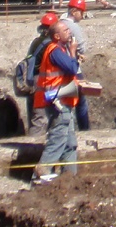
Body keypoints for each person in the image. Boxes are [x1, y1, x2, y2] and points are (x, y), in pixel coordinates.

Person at [32, 20, 80, 185]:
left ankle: (70, 180)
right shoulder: (55, 51)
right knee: (57, 140)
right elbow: (72, 69)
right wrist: (73, 52)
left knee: (70, 144)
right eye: (65, 30)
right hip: (58, 104)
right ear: (57, 36)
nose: (69, 32)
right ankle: (39, 179)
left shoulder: (60, 50)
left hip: (64, 102)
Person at [24, 11, 59, 137]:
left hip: (33, 80)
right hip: (43, 82)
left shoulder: (36, 42)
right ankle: (34, 149)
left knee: (36, 116)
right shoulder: (50, 44)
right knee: (42, 117)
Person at [62, 0, 90, 131]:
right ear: (74, 11)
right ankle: (84, 130)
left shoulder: (59, 24)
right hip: (73, 68)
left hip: (61, 68)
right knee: (81, 102)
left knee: (65, 101)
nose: (82, 16)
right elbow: (81, 46)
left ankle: (67, 129)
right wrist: (80, 52)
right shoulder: (73, 27)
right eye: (81, 12)